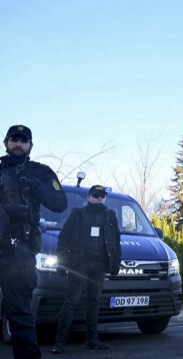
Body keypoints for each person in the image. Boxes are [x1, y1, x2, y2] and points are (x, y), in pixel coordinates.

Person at [0, 125, 67, 359]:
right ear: (6, 143)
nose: (18, 144)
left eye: (23, 140)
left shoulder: (41, 172)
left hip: (19, 250)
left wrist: (35, 186)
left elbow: (60, 203)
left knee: (19, 313)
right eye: (14, 140)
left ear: (30, 145)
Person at [52, 185, 122, 354]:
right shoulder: (78, 214)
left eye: (102, 195)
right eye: (96, 195)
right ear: (89, 197)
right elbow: (63, 238)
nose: (99, 198)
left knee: (94, 302)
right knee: (72, 300)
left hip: (99, 265)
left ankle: (91, 339)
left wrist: (116, 264)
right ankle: (60, 342)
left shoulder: (110, 216)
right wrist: (61, 263)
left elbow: (116, 241)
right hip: (79, 264)